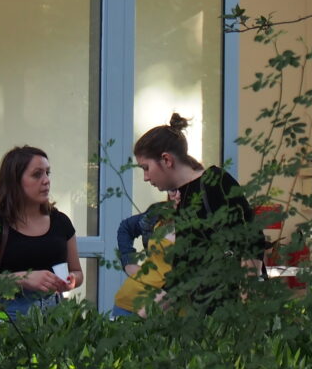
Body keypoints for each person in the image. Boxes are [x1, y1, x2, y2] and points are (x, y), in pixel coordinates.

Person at [131, 114, 259, 311]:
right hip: (207, 319)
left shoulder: (214, 180)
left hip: (230, 315)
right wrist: (142, 317)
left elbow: (251, 238)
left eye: (146, 168)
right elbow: (183, 273)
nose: (146, 178)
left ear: (166, 160)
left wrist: (245, 305)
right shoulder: (182, 200)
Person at [0, 146, 81, 319]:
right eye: (37, 174)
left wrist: (70, 280)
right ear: (14, 181)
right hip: (8, 319)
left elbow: (77, 272)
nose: (46, 180)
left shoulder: (60, 221)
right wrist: (23, 279)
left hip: (56, 318)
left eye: (48, 173)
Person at [111, 191, 177, 319]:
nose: (176, 194)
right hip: (129, 302)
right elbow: (126, 227)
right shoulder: (160, 213)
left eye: (182, 189)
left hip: (164, 312)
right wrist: (129, 262)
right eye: (172, 189)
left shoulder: (207, 227)